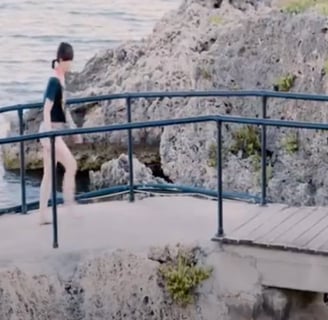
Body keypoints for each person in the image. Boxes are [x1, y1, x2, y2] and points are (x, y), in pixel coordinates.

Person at [38, 42, 82, 225]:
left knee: (48, 174)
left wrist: (74, 132)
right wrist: (50, 135)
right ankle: (69, 205)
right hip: (50, 132)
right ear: (62, 60)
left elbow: (64, 109)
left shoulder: (61, 80)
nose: (70, 65)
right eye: (69, 61)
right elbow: (46, 109)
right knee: (71, 165)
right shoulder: (54, 81)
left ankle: (42, 215)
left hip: (55, 132)